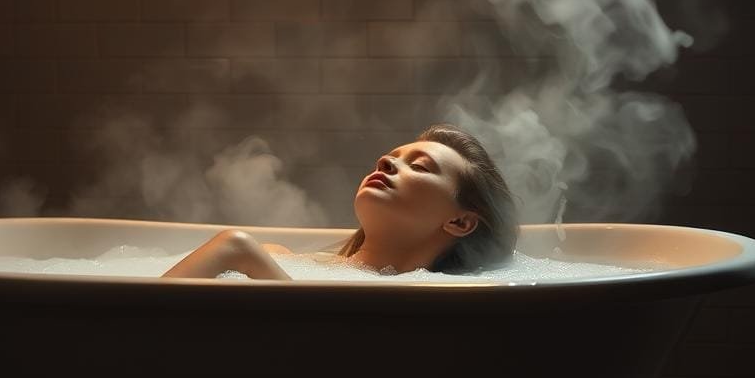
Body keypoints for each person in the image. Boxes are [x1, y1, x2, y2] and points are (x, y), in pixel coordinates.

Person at [159, 123, 518, 280]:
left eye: (420, 167)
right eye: (391, 156)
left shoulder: (254, 258)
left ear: (459, 221)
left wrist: (239, 251)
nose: (386, 161)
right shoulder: (276, 259)